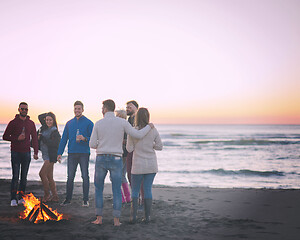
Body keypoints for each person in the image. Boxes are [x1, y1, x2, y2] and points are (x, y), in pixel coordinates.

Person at [89, 99, 153, 226]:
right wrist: (149, 127)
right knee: (117, 189)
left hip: (101, 158)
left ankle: (99, 219)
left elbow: (92, 144)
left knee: (98, 188)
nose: (102, 110)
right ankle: (116, 220)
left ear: (105, 109)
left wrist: (102, 145)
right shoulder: (122, 122)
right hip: (117, 158)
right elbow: (138, 134)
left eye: (102, 108)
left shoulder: (98, 123)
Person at [126, 108, 163, 223]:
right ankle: (147, 217)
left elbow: (129, 149)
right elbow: (159, 146)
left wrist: (137, 145)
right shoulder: (153, 130)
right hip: (151, 165)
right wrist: (150, 145)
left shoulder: (133, 131)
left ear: (137, 118)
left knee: (135, 190)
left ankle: (133, 217)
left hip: (138, 165)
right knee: (147, 189)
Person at [57, 101, 94, 207]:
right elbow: (64, 139)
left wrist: (85, 138)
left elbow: (94, 140)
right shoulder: (69, 123)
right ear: (74, 109)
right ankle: (68, 200)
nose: (77, 110)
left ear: (83, 109)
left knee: (85, 176)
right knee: (70, 177)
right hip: (72, 153)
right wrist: (59, 153)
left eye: (79, 108)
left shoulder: (89, 123)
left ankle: (85, 200)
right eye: (75, 108)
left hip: (84, 153)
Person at [3, 102, 39, 207]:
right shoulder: (13, 123)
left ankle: (21, 197)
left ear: (28, 110)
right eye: (22, 109)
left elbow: (35, 139)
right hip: (15, 152)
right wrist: (16, 138)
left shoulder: (31, 123)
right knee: (15, 176)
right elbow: (5, 136)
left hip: (26, 153)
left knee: (24, 177)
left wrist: (36, 152)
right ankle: (13, 198)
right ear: (18, 109)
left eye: (26, 109)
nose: (24, 111)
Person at [38, 112, 61, 202]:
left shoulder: (54, 131)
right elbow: (40, 116)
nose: (48, 121)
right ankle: (55, 196)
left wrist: (43, 139)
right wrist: (48, 114)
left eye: (50, 120)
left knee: (42, 174)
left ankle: (47, 194)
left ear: (53, 120)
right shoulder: (44, 128)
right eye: (47, 120)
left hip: (50, 157)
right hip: (45, 155)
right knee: (49, 176)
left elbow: (55, 144)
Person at [115, 109, 131, 203]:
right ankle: (126, 197)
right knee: (121, 175)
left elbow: (128, 141)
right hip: (122, 154)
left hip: (123, 154)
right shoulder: (124, 127)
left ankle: (122, 197)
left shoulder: (124, 128)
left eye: (120, 117)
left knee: (117, 176)